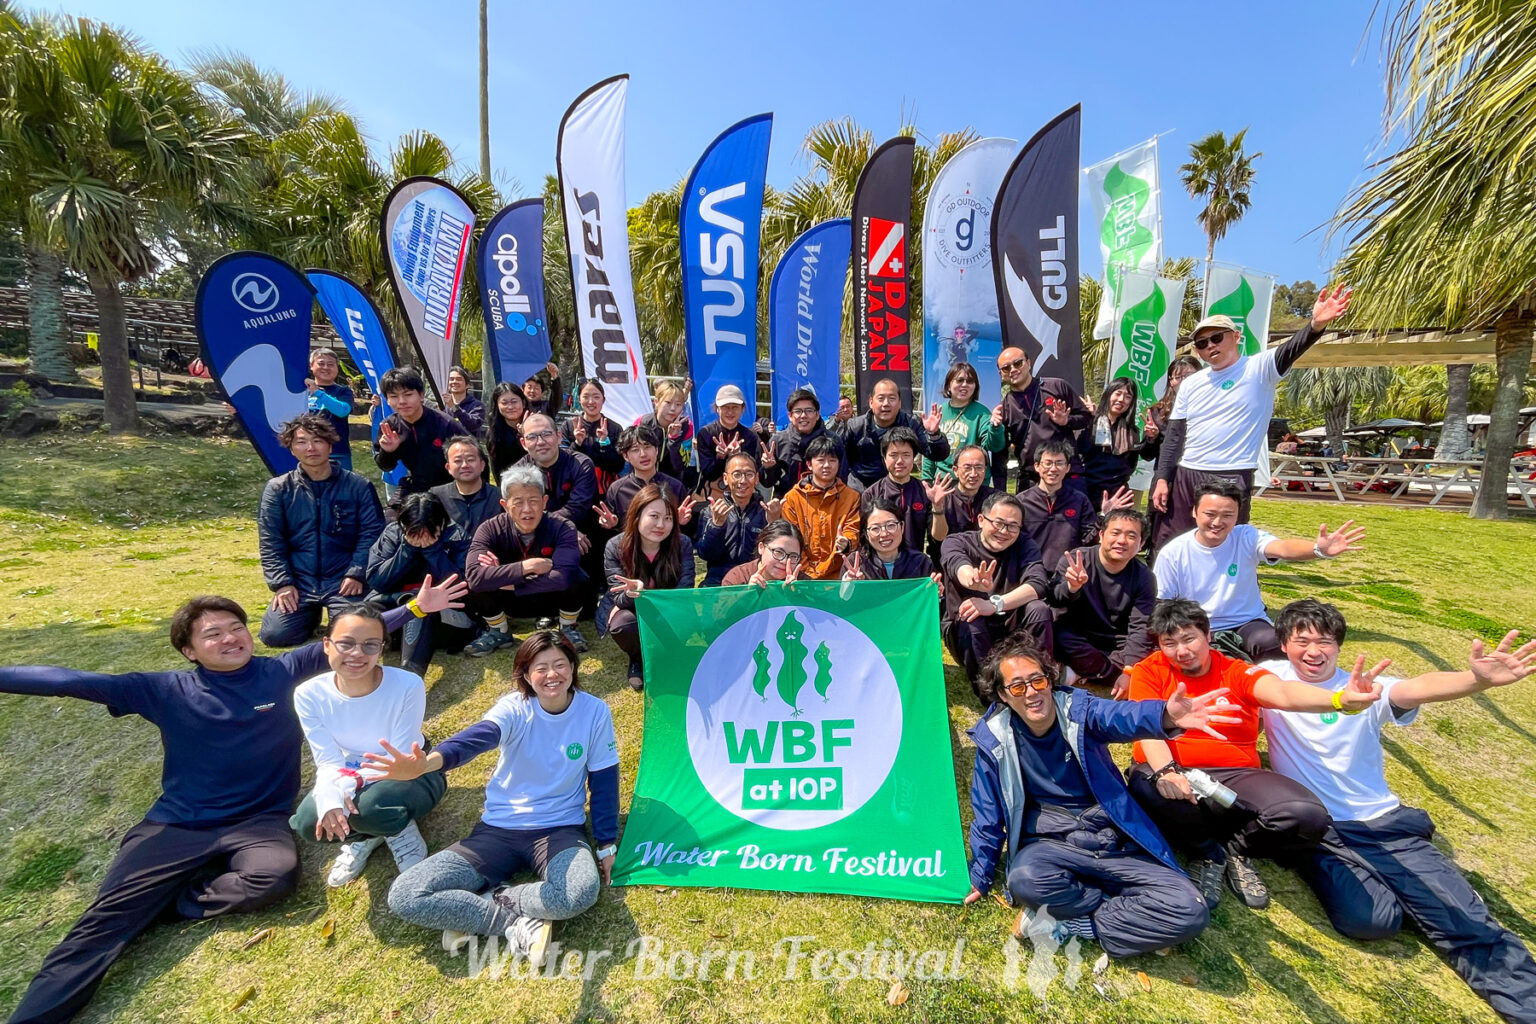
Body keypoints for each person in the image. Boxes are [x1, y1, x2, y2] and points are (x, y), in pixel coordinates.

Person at [0, 579, 466, 1024]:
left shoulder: (281, 673)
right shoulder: (164, 689)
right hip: (177, 823)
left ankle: (162, 903)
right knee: (103, 924)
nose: (230, 638)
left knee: (275, 878)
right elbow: (71, 681)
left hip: (260, 821)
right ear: (189, 650)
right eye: (213, 634)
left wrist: (416, 608)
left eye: (236, 627)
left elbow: (356, 636)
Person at [1258, 599, 1536, 1024]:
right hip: (1321, 831)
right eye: (1303, 641)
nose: (1314, 651)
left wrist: (1475, 680)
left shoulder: (1368, 688)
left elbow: (1417, 687)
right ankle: (1415, 893)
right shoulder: (1270, 678)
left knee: (1466, 924)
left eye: (1325, 641)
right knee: (1371, 921)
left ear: (1339, 646)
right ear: (1283, 644)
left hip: (1383, 825)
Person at [963, 634, 1233, 958]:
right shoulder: (995, 739)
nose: (1032, 693)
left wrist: (1165, 716)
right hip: (1052, 847)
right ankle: (1129, 917)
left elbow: (1122, 717)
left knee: (1191, 909)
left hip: (1117, 841)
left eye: (1037, 680)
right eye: (1018, 687)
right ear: (1003, 695)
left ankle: (1075, 922)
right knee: (1024, 879)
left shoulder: (1079, 711)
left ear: (1050, 680)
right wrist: (980, 875)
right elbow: (988, 815)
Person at [381, 631, 617, 968]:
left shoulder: (594, 711)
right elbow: (476, 738)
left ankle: (487, 900)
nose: (552, 675)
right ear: (526, 675)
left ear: (573, 667)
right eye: (541, 668)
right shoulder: (514, 708)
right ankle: (515, 923)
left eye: (560, 665)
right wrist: (427, 763)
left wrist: (606, 843)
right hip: (497, 831)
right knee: (406, 895)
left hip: (560, 830)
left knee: (578, 893)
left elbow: (604, 779)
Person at [1125, 599, 1370, 912]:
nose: (1181, 651)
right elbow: (1147, 730)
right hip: (1175, 769)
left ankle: (1237, 849)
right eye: (1169, 643)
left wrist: (1338, 700)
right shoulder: (1150, 671)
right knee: (1148, 787)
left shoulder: (1236, 671)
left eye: (1189, 639)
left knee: (1306, 815)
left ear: (1208, 635)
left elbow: (1282, 693)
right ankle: (1207, 853)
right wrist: (1166, 772)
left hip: (1235, 774)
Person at [1150, 287, 1353, 550]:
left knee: (1226, 546)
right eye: (1202, 343)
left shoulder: (1259, 368)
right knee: (1171, 544)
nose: (1210, 346)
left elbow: (1291, 349)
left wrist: (1315, 325)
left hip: (1232, 473)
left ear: (1236, 337)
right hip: (1187, 472)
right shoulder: (1191, 383)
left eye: (1216, 338)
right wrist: (1163, 478)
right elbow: (1174, 436)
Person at [290, 605, 445, 886]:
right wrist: (331, 795)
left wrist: (349, 786)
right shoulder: (308, 694)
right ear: (327, 645)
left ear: (381, 648)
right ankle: (368, 835)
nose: (357, 653)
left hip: (410, 770)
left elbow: (398, 757)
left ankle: (396, 829)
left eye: (370, 645)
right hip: (349, 770)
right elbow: (328, 760)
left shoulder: (407, 685)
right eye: (346, 643)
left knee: (373, 807)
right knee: (309, 821)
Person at [1154, 479, 1365, 661]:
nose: (1217, 522)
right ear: (1194, 512)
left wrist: (1318, 549)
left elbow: (1282, 548)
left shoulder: (1245, 536)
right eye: (1210, 514)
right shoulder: (1173, 552)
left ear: (1237, 515)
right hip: (1196, 626)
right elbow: (1163, 605)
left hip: (1247, 622)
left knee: (1276, 643)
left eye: (1227, 515)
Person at [257, 413, 384, 647]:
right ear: (291, 448)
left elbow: (372, 534)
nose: (310, 448)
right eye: (301, 442)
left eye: (317, 441)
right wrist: (282, 583)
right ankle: (308, 615)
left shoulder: (358, 486)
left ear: (330, 445)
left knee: (353, 633)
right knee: (275, 635)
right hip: (300, 580)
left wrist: (356, 573)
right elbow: (270, 541)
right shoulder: (278, 489)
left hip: (343, 578)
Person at [463, 464, 588, 655]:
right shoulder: (489, 529)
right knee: (473, 584)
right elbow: (474, 577)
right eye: (518, 502)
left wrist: (502, 578)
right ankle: (499, 630)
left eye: (533, 501)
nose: (527, 509)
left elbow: (561, 577)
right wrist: (526, 567)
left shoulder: (562, 526)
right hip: (510, 602)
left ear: (545, 501)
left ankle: (568, 627)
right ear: (505, 505)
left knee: (576, 575)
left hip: (551, 599)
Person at [939, 491, 1054, 689]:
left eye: (1012, 526)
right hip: (967, 631)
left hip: (1010, 624)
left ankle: (1038, 679)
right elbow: (957, 565)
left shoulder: (1025, 544)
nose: (1003, 531)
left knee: (1039, 609)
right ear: (981, 520)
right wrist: (972, 579)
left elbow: (1038, 584)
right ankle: (991, 691)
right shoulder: (956, 542)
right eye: (998, 523)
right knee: (970, 616)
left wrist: (995, 604)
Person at [1048, 509, 1157, 694]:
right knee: (1057, 632)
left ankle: (1085, 670)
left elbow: (1140, 626)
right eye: (1115, 533)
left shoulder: (1144, 577)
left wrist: (1129, 669)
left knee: (1155, 646)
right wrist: (1072, 587)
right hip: (1079, 637)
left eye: (1131, 536)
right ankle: (1111, 674)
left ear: (1141, 544)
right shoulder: (1077, 560)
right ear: (1101, 535)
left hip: (1118, 641)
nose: (1121, 541)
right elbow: (1054, 599)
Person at [598, 484, 696, 690]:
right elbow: (619, 598)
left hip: (670, 607)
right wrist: (636, 592)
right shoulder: (615, 546)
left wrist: (655, 602)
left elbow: (685, 588)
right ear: (637, 515)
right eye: (654, 516)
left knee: (687, 622)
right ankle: (638, 659)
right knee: (623, 624)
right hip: (633, 609)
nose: (661, 524)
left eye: (668, 518)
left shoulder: (682, 544)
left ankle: (666, 655)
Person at [366, 492, 477, 674]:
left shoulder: (457, 536)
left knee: (419, 604)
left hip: (443, 616)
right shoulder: (393, 533)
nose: (420, 536)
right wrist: (407, 549)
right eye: (413, 531)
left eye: (426, 531)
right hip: (396, 605)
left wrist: (433, 551)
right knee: (362, 612)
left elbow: (462, 586)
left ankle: (411, 674)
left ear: (440, 524)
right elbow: (377, 581)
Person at [1020, 439, 1132, 574]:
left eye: (1059, 463)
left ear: (1068, 468)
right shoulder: (1022, 502)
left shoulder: (1079, 500)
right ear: (1037, 466)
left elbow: (1090, 541)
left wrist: (1104, 515)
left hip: (1068, 573)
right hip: (1029, 572)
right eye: (1048, 463)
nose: (1053, 469)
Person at [992, 346, 1092, 492]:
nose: (1013, 370)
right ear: (1001, 374)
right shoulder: (1004, 408)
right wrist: (1000, 492)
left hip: (1067, 475)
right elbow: (1000, 454)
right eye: (1006, 368)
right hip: (1032, 481)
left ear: (1029, 363)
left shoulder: (1057, 387)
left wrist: (1067, 421)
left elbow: (1086, 417)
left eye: (1018, 363)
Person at [836, 378, 952, 489]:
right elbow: (835, 453)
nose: (886, 403)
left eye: (892, 398)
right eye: (881, 398)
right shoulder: (855, 426)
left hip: (898, 486)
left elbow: (938, 455)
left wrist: (934, 434)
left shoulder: (911, 423)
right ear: (871, 402)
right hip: (861, 487)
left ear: (899, 402)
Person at [374, 367, 471, 498]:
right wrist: (387, 452)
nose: (402, 401)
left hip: (450, 488)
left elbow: (476, 458)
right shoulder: (389, 427)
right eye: (394, 396)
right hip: (414, 487)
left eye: (408, 395)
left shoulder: (445, 424)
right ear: (387, 400)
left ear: (421, 395)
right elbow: (385, 466)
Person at [781, 434, 862, 580]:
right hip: (801, 575)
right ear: (809, 464)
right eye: (821, 460)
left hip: (840, 574)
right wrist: (808, 574)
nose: (827, 465)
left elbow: (852, 529)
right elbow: (791, 540)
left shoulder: (851, 497)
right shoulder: (792, 498)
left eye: (832, 460)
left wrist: (847, 543)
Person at [860, 426, 953, 550]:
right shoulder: (871, 494)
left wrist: (937, 507)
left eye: (906, 455)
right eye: (893, 455)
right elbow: (865, 539)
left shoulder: (925, 492)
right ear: (884, 458)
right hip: (881, 560)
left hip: (915, 559)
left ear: (913, 458)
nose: (900, 461)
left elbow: (939, 537)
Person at [1144, 355, 1203, 553]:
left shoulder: (1211, 408)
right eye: (1178, 377)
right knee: (1161, 529)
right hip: (1167, 479)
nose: (1183, 382)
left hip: (1199, 476)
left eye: (1189, 376)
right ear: (1170, 381)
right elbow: (1147, 454)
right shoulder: (1158, 411)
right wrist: (1151, 438)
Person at [696, 453, 781, 586]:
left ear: (757, 478)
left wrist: (773, 523)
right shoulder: (712, 511)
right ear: (725, 478)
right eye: (737, 474)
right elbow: (705, 554)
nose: (743, 481)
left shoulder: (766, 511)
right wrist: (716, 525)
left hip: (756, 580)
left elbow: (777, 553)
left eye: (749, 474)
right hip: (718, 581)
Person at [1079, 377, 1160, 512]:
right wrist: (1090, 419)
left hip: (1117, 495)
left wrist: (1151, 438)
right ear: (1108, 394)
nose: (1121, 400)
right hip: (1086, 491)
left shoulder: (1132, 431)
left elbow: (1141, 458)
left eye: (1128, 397)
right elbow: (1081, 452)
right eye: (1118, 393)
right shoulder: (1090, 422)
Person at [925, 362, 1006, 482]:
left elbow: (995, 446)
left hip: (973, 481)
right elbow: (930, 451)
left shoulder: (982, 413)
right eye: (959, 380)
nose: (964, 385)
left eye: (970, 381)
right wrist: (926, 480)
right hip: (943, 481)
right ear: (948, 385)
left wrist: (995, 427)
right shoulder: (939, 412)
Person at [599, 423, 691, 527]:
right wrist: (611, 525)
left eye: (647, 447)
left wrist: (681, 522)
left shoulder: (675, 487)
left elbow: (688, 527)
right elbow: (611, 523)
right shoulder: (617, 489)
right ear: (625, 456)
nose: (643, 454)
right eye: (635, 450)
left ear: (656, 450)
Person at [762, 388, 847, 497]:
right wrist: (769, 468)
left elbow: (842, 478)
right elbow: (767, 483)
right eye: (798, 411)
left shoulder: (833, 441)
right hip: (786, 502)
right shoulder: (778, 441)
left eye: (809, 410)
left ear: (817, 414)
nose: (803, 416)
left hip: (824, 502)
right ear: (790, 416)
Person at [841, 497, 941, 586]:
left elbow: (929, 597)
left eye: (891, 525)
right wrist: (848, 585)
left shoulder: (921, 563)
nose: (884, 534)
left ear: (902, 527)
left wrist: (935, 591)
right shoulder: (855, 563)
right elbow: (842, 598)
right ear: (866, 533)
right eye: (875, 528)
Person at [428, 436, 499, 542]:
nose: (465, 465)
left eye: (470, 460)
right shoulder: (436, 496)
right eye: (458, 461)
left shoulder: (499, 496)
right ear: (448, 467)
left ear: (482, 465)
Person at [562, 378, 625, 494]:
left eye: (596, 397)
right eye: (586, 397)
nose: (591, 402)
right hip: (574, 491)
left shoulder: (614, 428)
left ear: (603, 400)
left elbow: (618, 466)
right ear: (579, 399)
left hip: (604, 492)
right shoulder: (569, 426)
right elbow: (562, 462)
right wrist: (577, 444)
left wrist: (604, 443)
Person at [695, 384, 762, 491]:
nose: (730, 412)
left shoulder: (751, 436)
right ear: (717, 409)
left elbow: (754, 472)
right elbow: (707, 473)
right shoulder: (706, 434)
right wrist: (720, 457)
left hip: (742, 492)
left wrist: (739, 455)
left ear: (742, 408)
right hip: (712, 493)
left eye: (735, 407)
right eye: (725, 407)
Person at [303, 347, 355, 470]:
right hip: (308, 452)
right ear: (311, 366)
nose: (326, 367)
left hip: (338, 453)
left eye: (331, 364)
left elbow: (342, 411)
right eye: (321, 363)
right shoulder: (302, 392)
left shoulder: (343, 391)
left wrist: (318, 393)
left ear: (337, 368)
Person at [636, 379, 695, 487]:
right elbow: (633, 458)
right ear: (656, 402)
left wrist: (673, 439)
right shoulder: (641, 423)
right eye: (668, 403)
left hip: (672, 484)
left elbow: (680, 466)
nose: (673, 409)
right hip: (643, 483)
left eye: (678, 404)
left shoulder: (687, 427)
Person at [720, 519, 804, 587]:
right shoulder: (737, 578)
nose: (784, 561)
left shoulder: (803, 583)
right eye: (778, 552)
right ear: (761, 547)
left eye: (793, 556)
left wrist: (795, 596)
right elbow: (725, 604)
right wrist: (749, 593)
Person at [939, 444, 998, 539]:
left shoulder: (996, 499)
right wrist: (937, 508)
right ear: (955, 470)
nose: (973, 474)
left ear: (985, 469)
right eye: (967, 468)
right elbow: (938, 538)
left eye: (979, 467)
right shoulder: (944, 499)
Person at [486, 381, 530, 481]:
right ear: (497, 406)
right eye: (504, 403)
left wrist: (526, 435)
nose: (510, 407)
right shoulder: (494, 432)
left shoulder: (536, 426)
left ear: (523, 403)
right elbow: (496, 468)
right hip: (509, 483)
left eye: (514, 401)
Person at [442, 364, 485, 436]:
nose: (454, 382)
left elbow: (473, 425)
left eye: (459, 379)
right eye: (451, 379)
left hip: (467, 442)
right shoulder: (442, 404)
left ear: (467, 385)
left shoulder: (477, 405)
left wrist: (453, 407)